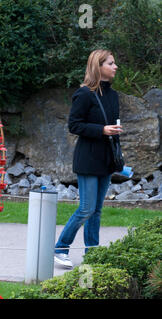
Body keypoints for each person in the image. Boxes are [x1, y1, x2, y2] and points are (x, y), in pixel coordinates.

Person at [54, 49, 121, 268]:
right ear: (98, 67)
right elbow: (74, 125)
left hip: (107, 160)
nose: (115, 66)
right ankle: (60, 249)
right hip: (88, 159)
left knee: (97, 209)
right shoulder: (84, 94)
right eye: (110, 63)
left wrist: (116, 145)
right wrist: (101, 130)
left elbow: (112, 127)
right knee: (86, 208)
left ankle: (92, 253)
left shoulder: (113, 95)